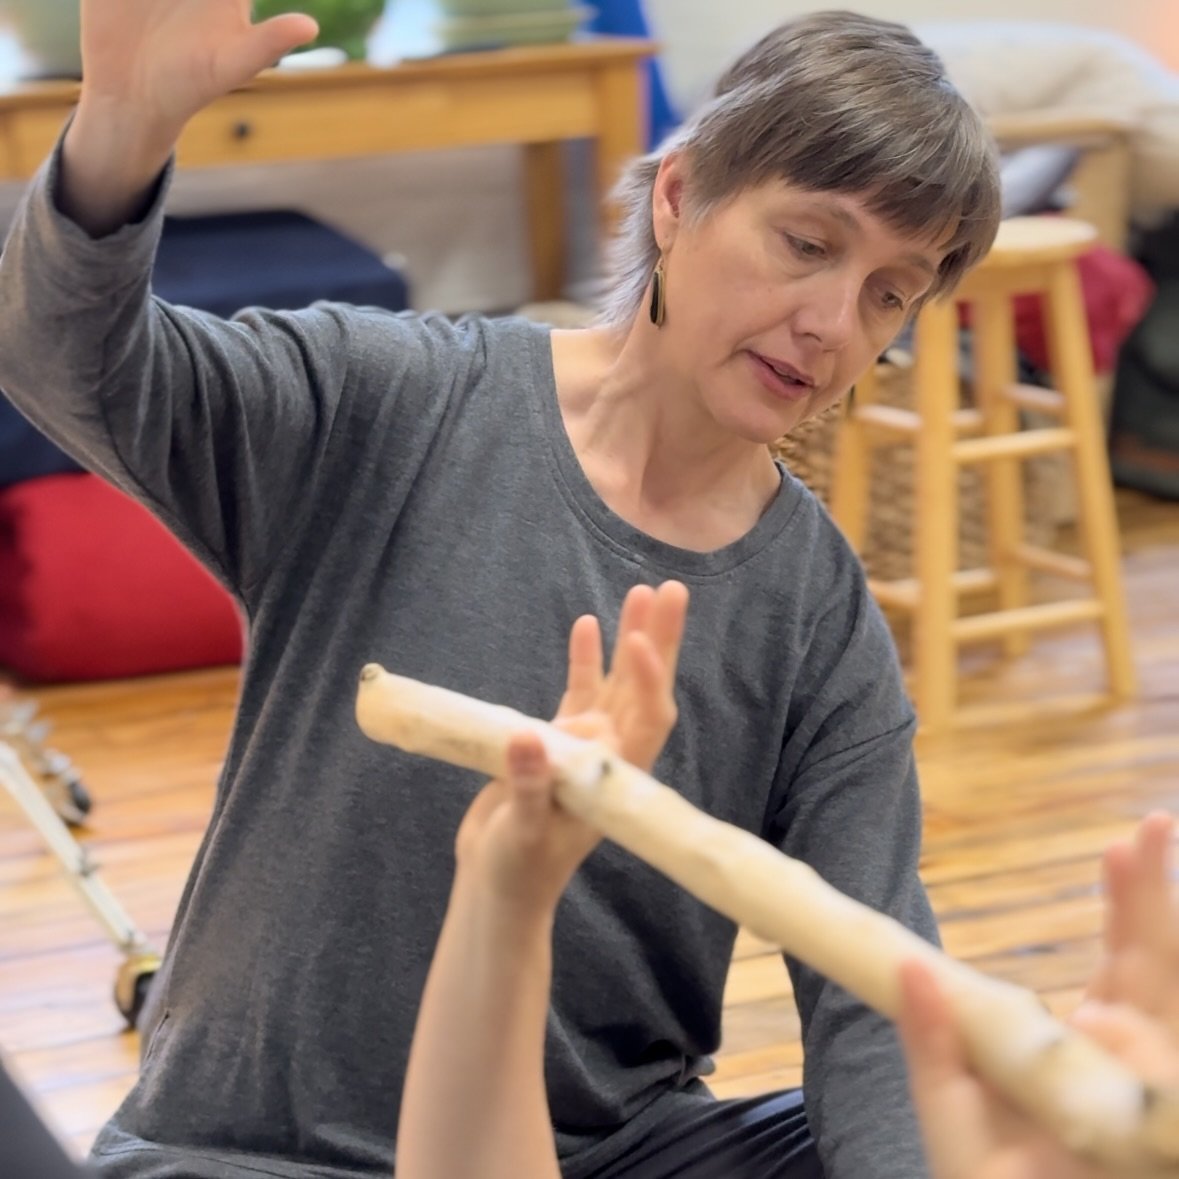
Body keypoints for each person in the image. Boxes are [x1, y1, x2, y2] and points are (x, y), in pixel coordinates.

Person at [0, 3, 1001, 1177]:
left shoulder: (817, 613)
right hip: (259, 1157)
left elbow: (871, 983)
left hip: (612, 1153)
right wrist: (122, 127)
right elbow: (66, 365)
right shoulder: (396, 404)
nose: (835, 324)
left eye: (893, 291)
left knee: (994, 1123)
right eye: (809, 244)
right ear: (678, 199)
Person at [396, 729, 1179, 1179]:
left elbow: (872, 1020)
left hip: (639, 1139)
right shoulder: (356, 444)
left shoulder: (818, 603)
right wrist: (503, 905)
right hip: (288, 1153)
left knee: (971, 1117)